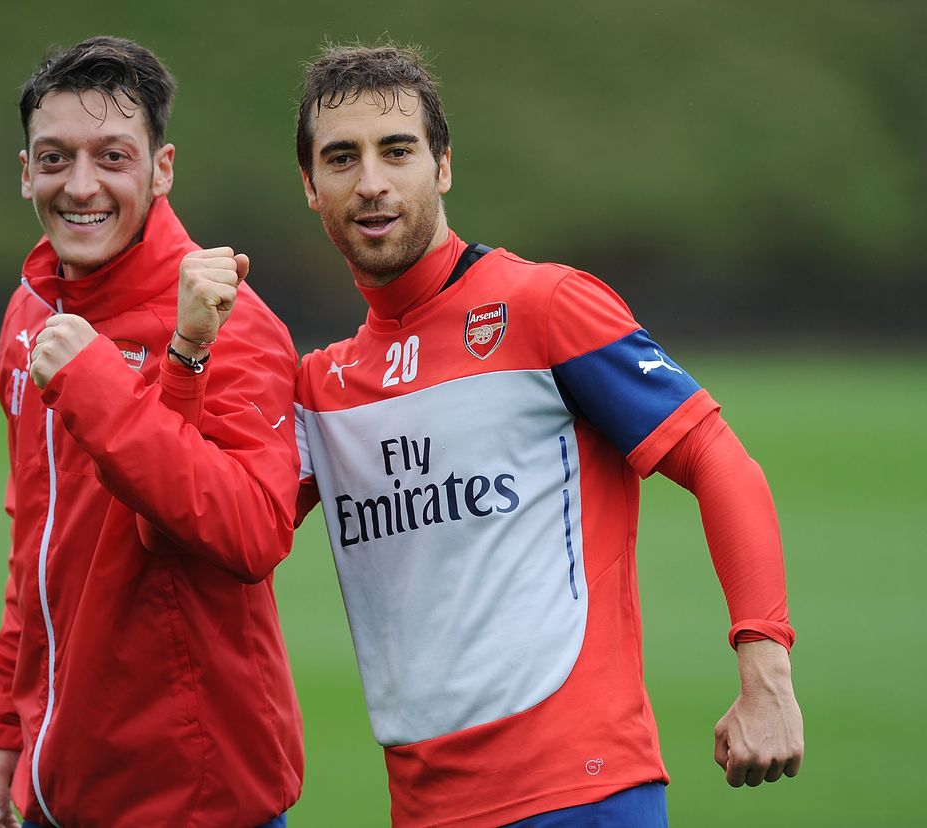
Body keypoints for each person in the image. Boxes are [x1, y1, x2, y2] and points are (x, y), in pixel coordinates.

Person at [290, 43, 803, 827]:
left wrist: (765, 672)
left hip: (582, 794)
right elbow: (216, 526)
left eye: (397, 151)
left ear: (444, 166)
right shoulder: (320, 387)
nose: (371, 182)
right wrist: (183, 363)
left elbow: (718, 457)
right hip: (424, 812)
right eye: (341, 158)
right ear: (310, 185)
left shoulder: (545, 306)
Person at [0, 36, 303, 828]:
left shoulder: (231, 321)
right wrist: (3, 719)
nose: (81, 186)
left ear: (162, 168)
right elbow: (38, 542)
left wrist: (103, 386)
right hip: (58, 775)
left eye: (112, 155)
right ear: (25, 173)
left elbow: (251, 531)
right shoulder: (30, 314)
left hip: (193, 794)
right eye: (55, 158)